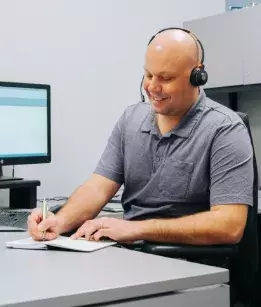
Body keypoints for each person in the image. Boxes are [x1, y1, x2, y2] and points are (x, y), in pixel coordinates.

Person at [28, 28, 253, 245]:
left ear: (197, 75)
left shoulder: (225, 130)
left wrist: (135, 228)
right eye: (148, 75)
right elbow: (97, 188)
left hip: (189, 263)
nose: (153, 87)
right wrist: (60, 221)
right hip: (132, 253)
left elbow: (229, 225)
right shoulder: (131, 119)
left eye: (166, 78)